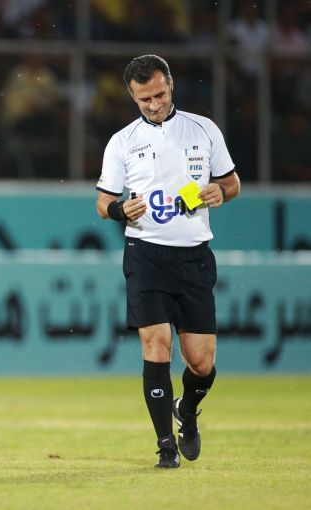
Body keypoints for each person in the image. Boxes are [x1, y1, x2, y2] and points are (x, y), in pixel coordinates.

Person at [95, 54, 240, 469]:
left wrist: (220, 193)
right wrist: (119, 210)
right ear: (132, 96)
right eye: (145, 99)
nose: (155, 104)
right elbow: (103, 202)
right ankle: (165, 447)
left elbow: (231, 182)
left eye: (159, 95)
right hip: (146, 255)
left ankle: (187, 411)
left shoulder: (203, 129)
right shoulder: (122, 142)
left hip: (194, 256)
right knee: (156, 345)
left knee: (202, 363)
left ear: (170, 84)